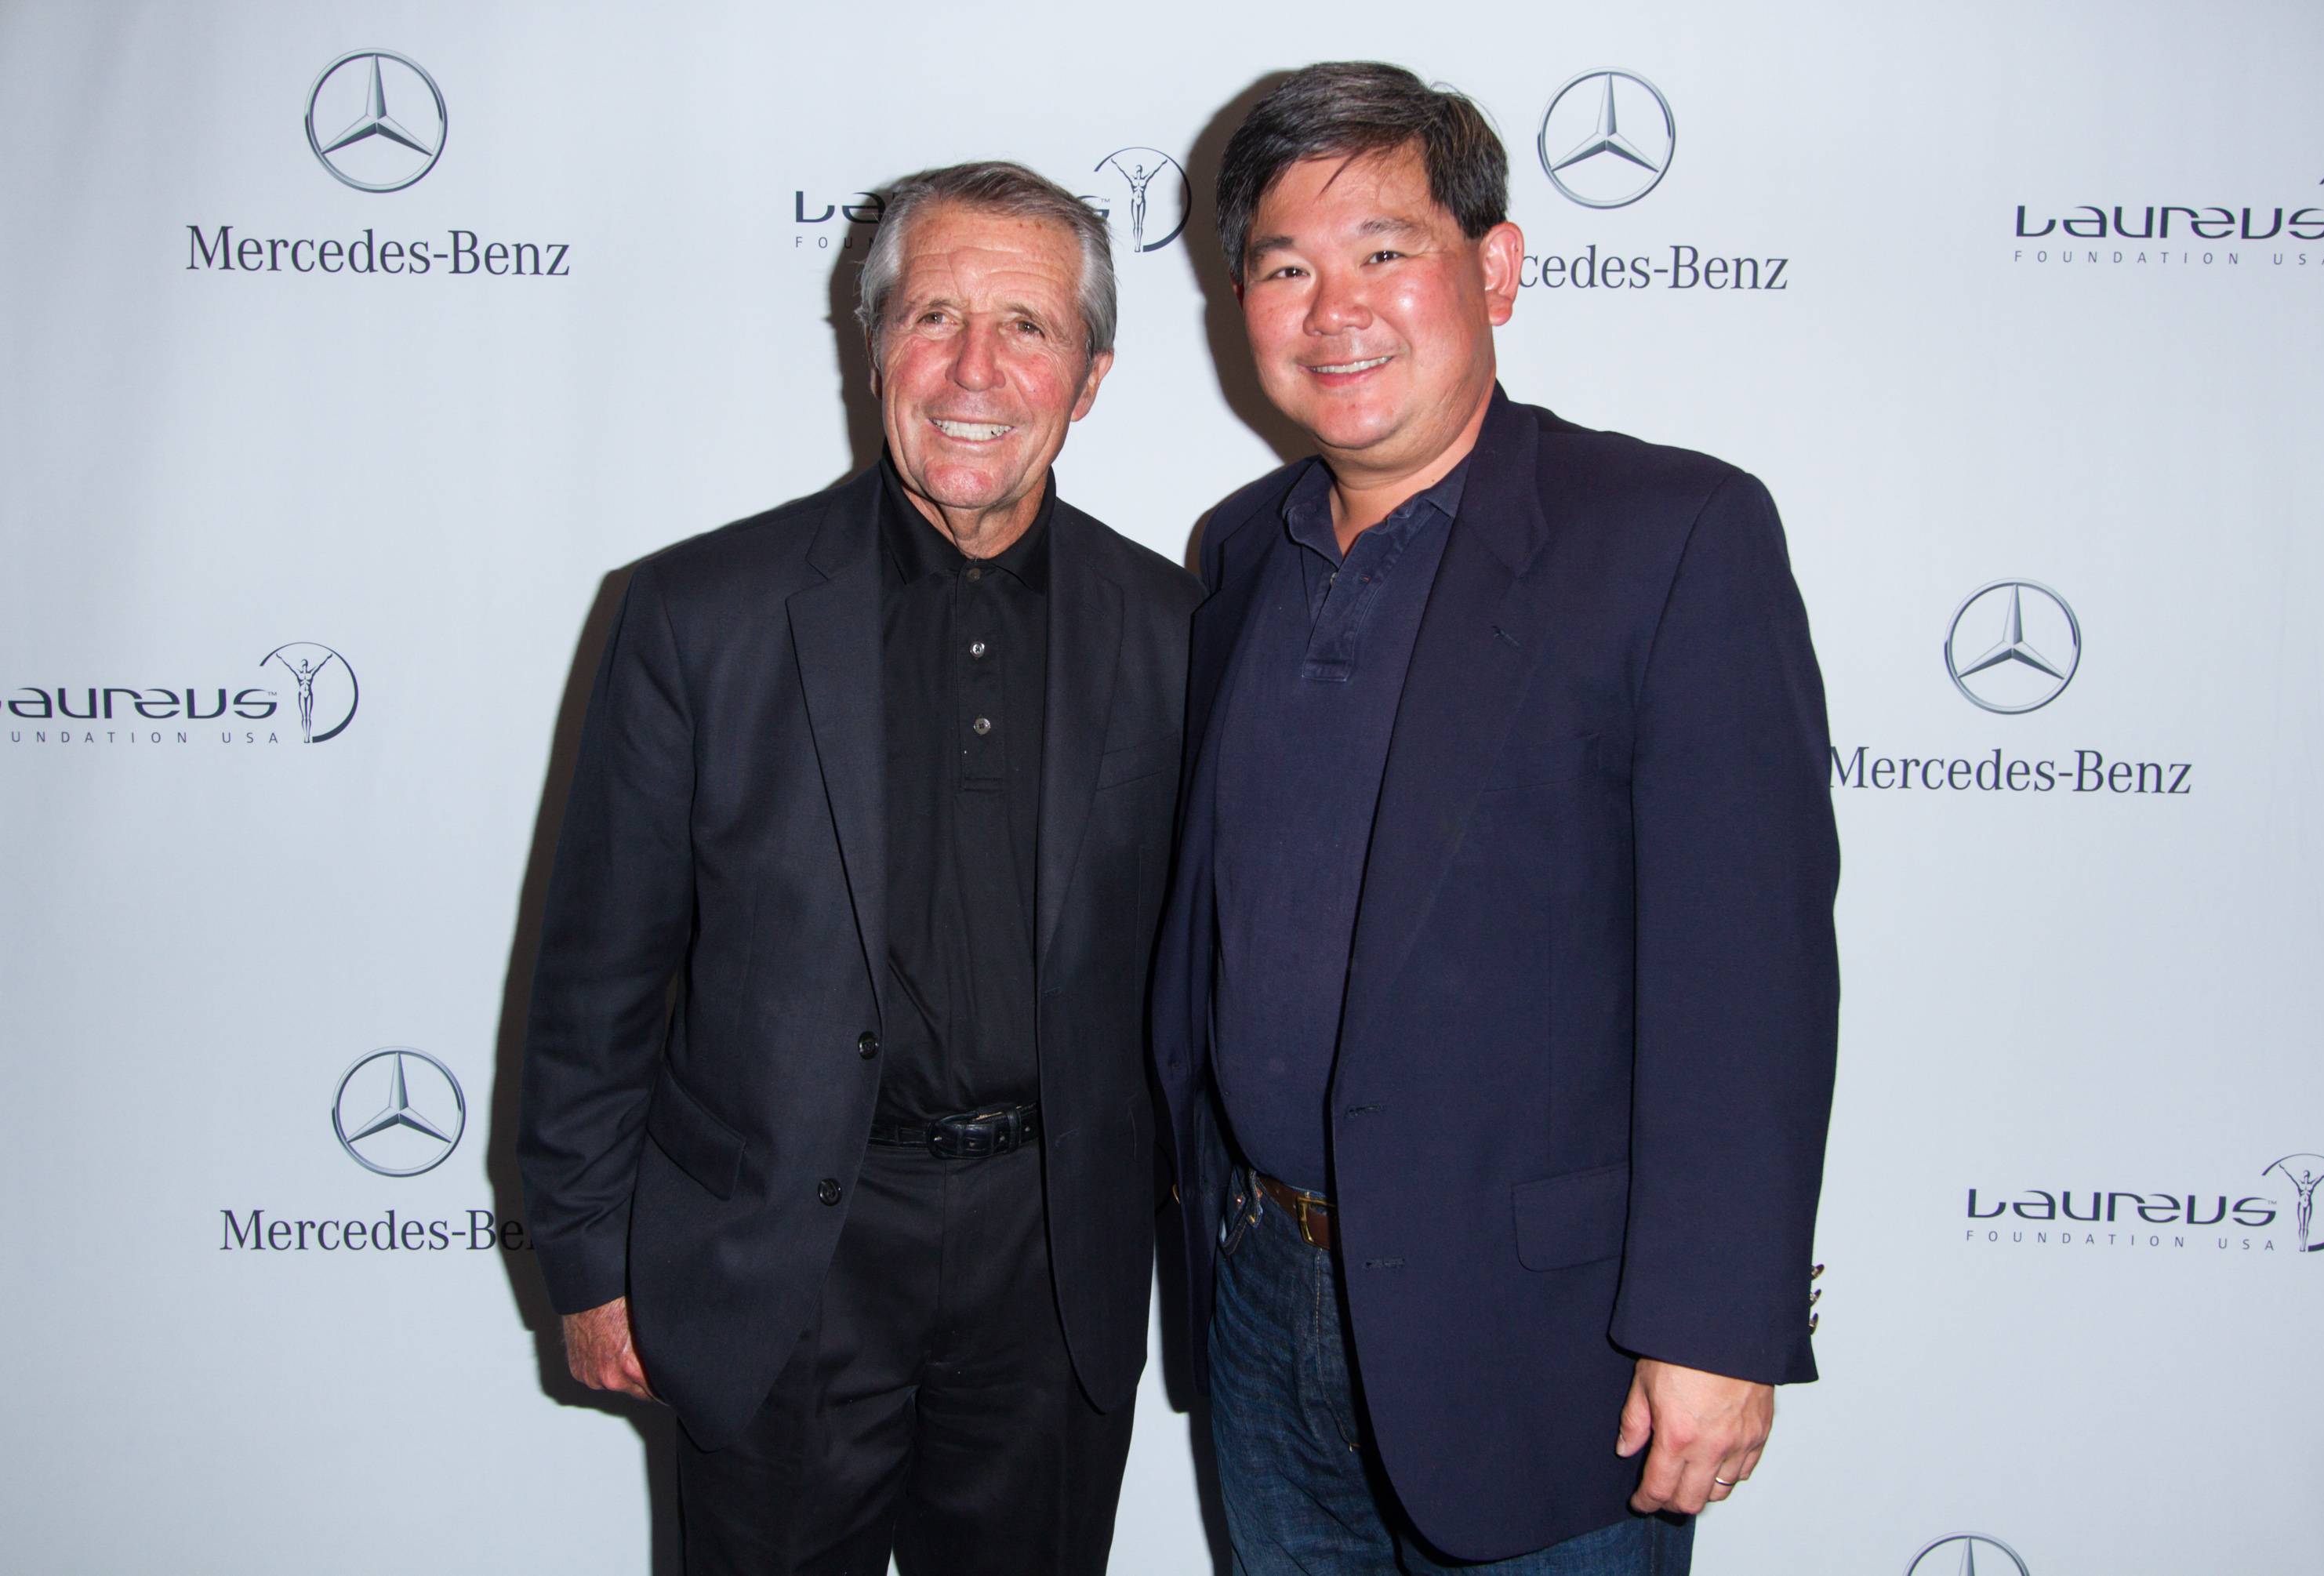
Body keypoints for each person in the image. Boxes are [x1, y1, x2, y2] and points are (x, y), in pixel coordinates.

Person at [1151, 64, 1840, 1574]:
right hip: (1262, 1303)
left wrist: (1719, 1323)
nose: (1334, 309)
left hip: (1547, 1343)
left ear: (1497, 267)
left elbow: (1752, 971)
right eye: (1285, 266)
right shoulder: (1240, 553)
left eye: (1384, 250)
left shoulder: (1671, 535)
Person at [518, 160, 1199, 1576]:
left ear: (1090, 378)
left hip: (1054, 1263)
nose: (974, 369)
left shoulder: (1178, 628)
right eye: (933, 315)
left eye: (1027, 327)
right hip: (781, 1255)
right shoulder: (696, 613)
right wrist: (586, 1258)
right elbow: (596, 977)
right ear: (873, 343)